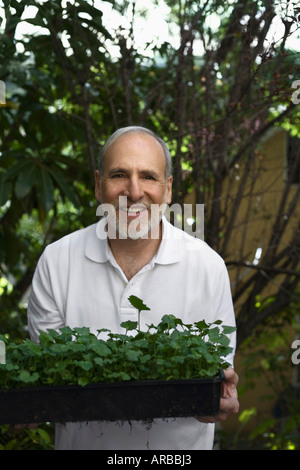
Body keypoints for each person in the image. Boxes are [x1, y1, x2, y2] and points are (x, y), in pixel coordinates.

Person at [27, 126, 239, 450]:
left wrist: (219, 399)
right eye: (119, 175)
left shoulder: (208, 268)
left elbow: (215, 379)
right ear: (99, 185)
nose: (134, 191)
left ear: (168, 189)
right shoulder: (57, 262)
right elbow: (48, 381)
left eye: (149, 177)